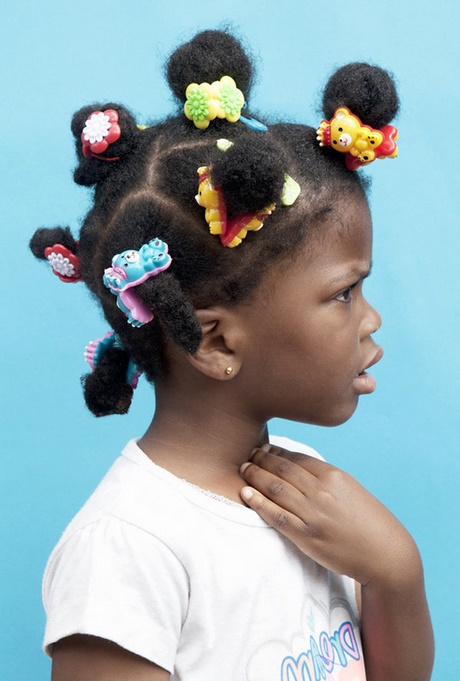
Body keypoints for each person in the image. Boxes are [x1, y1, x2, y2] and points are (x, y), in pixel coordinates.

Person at [30, 29, 434, 681]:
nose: (373, 318)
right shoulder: (127, 549)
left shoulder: (308, 486)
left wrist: (395, 572)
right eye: (344, 292)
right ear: (215, 342)